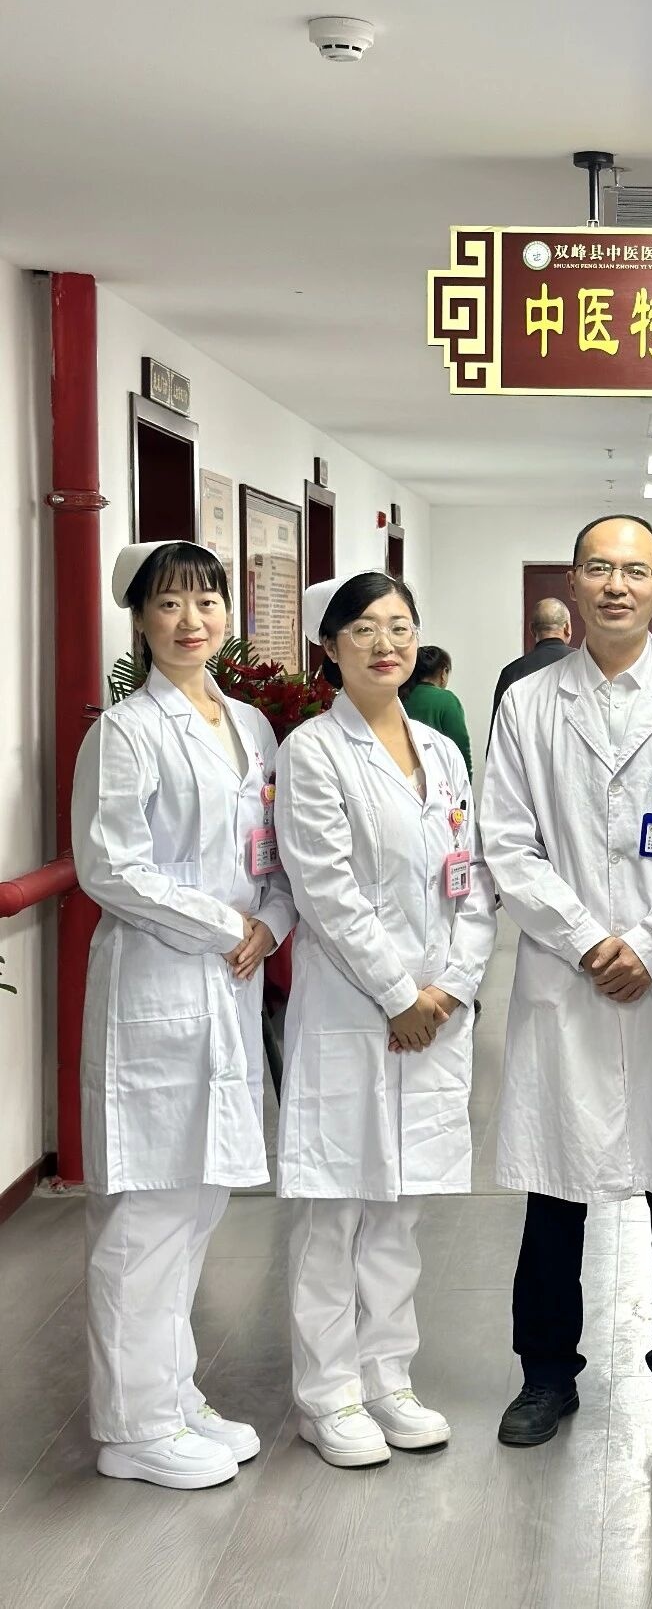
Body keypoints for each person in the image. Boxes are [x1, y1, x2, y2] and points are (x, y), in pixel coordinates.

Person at [481, 514, 652, 1450]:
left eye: (635, 571)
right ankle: (545, 1375)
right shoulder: (528, 704)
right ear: (573, 583)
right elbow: (507, 842)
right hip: (570, 980)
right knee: (554, 1190)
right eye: (599, 568)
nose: (616, 586)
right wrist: (591, 940)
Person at [71, 540, 297, 1490]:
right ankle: (131, 1426)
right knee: (148, 1213)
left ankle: (168, 1392)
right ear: (140, 619)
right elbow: (111, 868)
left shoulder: (251, 723)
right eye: (168, 604)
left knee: (198, 1203)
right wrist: (229, 925)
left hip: (229, 985)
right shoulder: (126, 732)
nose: (191, 619)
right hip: (158, 986)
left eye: (207, 600)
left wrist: (272, 921)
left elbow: (274, 851)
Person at [275, 571, 495, 1469]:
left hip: (432, 1015)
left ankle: (388, 1377)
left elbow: (471, 881)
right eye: (362, 629)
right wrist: (400, 996)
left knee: (401, 1212)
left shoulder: (440, 753)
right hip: (353, 1009)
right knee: (334, 1213)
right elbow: (325, 890)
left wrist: (452, 987)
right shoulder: (311, 752)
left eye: (399, 626)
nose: (384, 644)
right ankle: (327, 1394)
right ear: (329, 647)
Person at [488, 598, 574, 750]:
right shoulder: (586, 666)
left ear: (532, 629)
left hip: (526, 761)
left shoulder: (511, 673)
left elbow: (497, 741)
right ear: (567, 627)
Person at [403, 644, 472, 777]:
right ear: (443, 672)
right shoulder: (447, 700)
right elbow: (461, 748)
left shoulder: (400, 697)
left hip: (406, 776)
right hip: (440, 779)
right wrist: (466, 781)